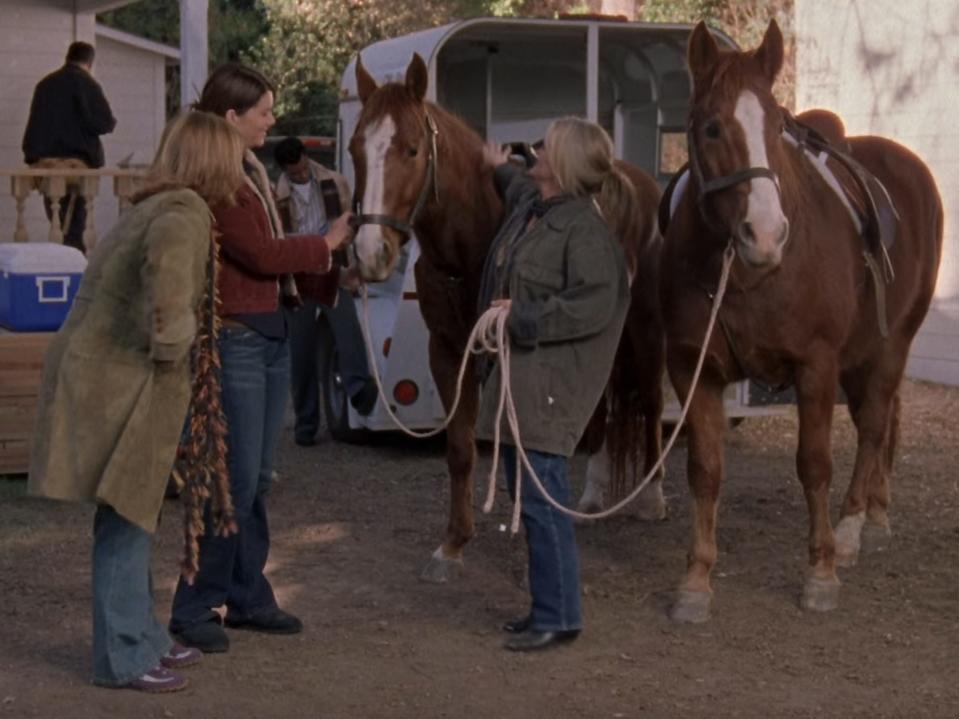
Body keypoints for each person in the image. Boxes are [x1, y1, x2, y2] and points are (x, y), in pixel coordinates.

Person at [28, 111, 246, 692]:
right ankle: (123, 656)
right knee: (126, 516)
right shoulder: (183, 212)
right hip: (127, 385)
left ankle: (141, 636)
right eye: (235, 156)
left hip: (109, 377)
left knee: (134, 516)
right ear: (213, 160)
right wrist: (181, 356)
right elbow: (170, 304)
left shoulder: (155, 206)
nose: (242, 166)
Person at [168, 64, 353, 654]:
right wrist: (323, 244)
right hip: (239, 336)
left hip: (264, 332)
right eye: (265, 111)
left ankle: (247, 595)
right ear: (232, 117)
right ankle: (194, 604)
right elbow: (260, 252)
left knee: (254, 480)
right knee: (232, 480)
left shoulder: (245, 176)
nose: (273, 121)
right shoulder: (218, 180)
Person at [477, 117, 634, 652]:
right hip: (525, 385)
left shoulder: (585, 233)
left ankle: (559, 616)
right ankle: (548, 607)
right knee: (532, 497)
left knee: (544, 501)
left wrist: (522, 315)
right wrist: (499, 169)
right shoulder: (538, 210)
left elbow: (592, 306)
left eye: (546, 145)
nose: (536, 150)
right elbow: (520, 184)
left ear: (562, 163)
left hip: (550, 388)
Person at [273, 137, 376, 446]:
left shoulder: (334, 181)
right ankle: (306, 424)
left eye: (304, 168)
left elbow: (350, 224)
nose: (302, 175)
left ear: (307, 159)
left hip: (332, 266)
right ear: (285, 170)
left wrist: (356, 267)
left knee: (348, 330)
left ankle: (359, 390)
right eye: (296, 172)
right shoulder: (276, 195)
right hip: (298, 272)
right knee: (300, 351)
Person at [22, 41, 117, 252]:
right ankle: (73, 273)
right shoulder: (88, 84)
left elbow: (33, 130)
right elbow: (104, 123)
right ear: (89, 63)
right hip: (77, 168)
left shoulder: (45, 85)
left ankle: (60, 266)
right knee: (76, 229)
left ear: (68, 57)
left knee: (56, 222)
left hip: (47, 167)